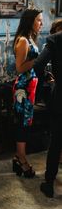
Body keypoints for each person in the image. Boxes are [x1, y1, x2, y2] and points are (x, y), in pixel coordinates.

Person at [12, 8, 43, 178]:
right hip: (23, 88)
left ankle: (18, 158)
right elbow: (19, 68)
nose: (41, 23)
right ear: (30, 21)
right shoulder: (23, 41)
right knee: (22, 123)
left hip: (30, 87)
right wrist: (37, 60)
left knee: (26, 122)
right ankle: (21, 159)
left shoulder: (30, 38)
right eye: (38, 20)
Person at [33, 19, 62, 197]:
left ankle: (49, 183)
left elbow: (37, 65)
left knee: (56, 141)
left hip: (60, 98)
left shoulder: (55, 39)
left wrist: (50, 83)